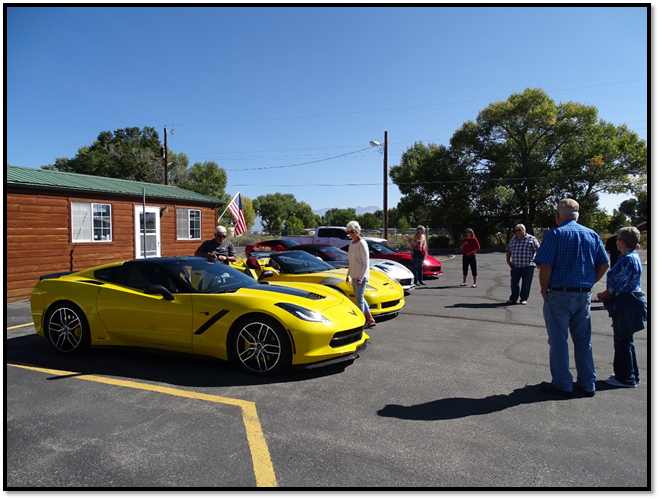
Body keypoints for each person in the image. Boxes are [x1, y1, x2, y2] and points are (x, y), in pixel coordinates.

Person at [534, 199, 609, 398]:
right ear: (578, 215)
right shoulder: (592, 234)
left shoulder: (555, 234)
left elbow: (545, 266)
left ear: (558, 215)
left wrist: (544, 291)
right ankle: (587, 383)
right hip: (583, 294)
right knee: (584, 341)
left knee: (559, 341)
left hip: (559, 293)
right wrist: (588, 283)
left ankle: (562, 383)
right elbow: (604, 264)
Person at [596, 226, 646, 388]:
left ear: (622, 242)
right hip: (628, 301)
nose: (616, 242)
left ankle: (625, 378)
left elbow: (617, 285)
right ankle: (630, 374)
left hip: (625, 303)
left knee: (622, 341)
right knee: (626, 340)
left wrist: (603, 294)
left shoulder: (627, 259)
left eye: (617, 239)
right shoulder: (632, 256)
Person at [345, 221, 376, 329]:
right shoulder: (351, 244)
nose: (351, 234)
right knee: (360, 298)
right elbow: (351, 261)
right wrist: (348, 275)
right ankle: (370, 319)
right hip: (353, 274)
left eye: (352, 231)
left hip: (361, 275)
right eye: (349, 232)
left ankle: (361, 322)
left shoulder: (362, 243)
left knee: (359, 300)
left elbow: (366, 262)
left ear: (357, 231)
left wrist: (361, 278)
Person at [505, 224, 540, 305]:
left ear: (524, 230)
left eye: (520, 230)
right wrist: (508, 260)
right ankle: (513, 298)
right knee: (514, 283)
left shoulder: (531, 239)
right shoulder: (513, 240)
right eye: (516, 230)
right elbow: (508, 250)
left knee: (526, 284)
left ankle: (524, 299)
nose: (518, 232)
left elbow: (539, 250)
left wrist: (538, 262)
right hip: (515, 265)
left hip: (528, 266)